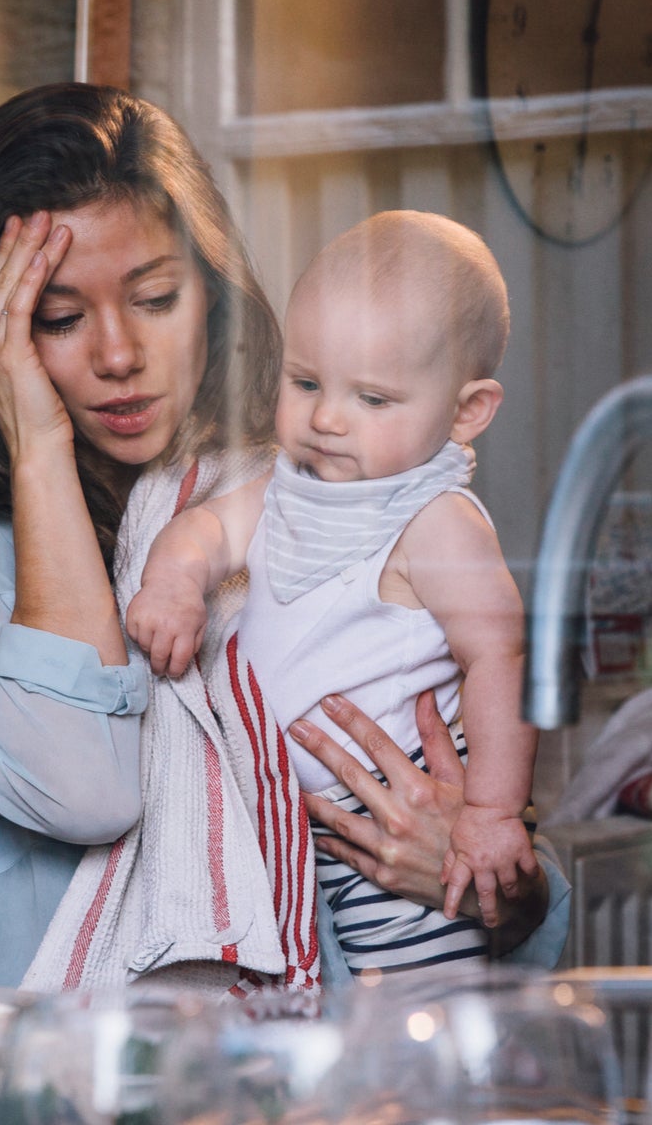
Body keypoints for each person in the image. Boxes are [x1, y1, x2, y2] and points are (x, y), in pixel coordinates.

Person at [0, 84, 563, 987]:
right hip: (86, 1082)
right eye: (56, 318)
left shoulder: (301, 491)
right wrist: (39, 445)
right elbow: (85, 787)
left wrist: (488, 878)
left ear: (210, 301)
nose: (117, 355)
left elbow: (517, 883)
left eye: (156, 298)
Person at [126, 211, 541, 978]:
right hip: (296, 829)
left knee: (417, 1016)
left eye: (373, 399)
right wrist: (174, 582)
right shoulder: (288, 490)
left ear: (465, 411)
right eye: (306, 382)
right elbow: (207, 531)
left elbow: (502, 659)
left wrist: (488, 814)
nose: (324, 418)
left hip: (395, 815)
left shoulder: (434, 520)